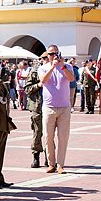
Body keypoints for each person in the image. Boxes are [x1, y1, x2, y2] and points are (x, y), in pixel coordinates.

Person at [39, 45, 73, 174]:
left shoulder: (67, 67)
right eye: (51, 54)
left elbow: (71, 78)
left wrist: (62, 66)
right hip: (49, 106)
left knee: (63, 137)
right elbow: (43, 80)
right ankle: (51, 163)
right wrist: (53, 67)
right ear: (47, 55)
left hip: (64, 106)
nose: (54, 56)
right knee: (48, 136)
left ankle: (60, 164)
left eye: (56, 53)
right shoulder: (43, 68)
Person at [25, 62, 44, 168]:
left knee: (49, 134)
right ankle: (36, 157)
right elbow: (27, 89)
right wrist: (38, 85)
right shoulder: (34, 72)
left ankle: (49, 157)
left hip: (50, 106)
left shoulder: (54, 70)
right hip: (37, 107)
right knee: (37, 133)